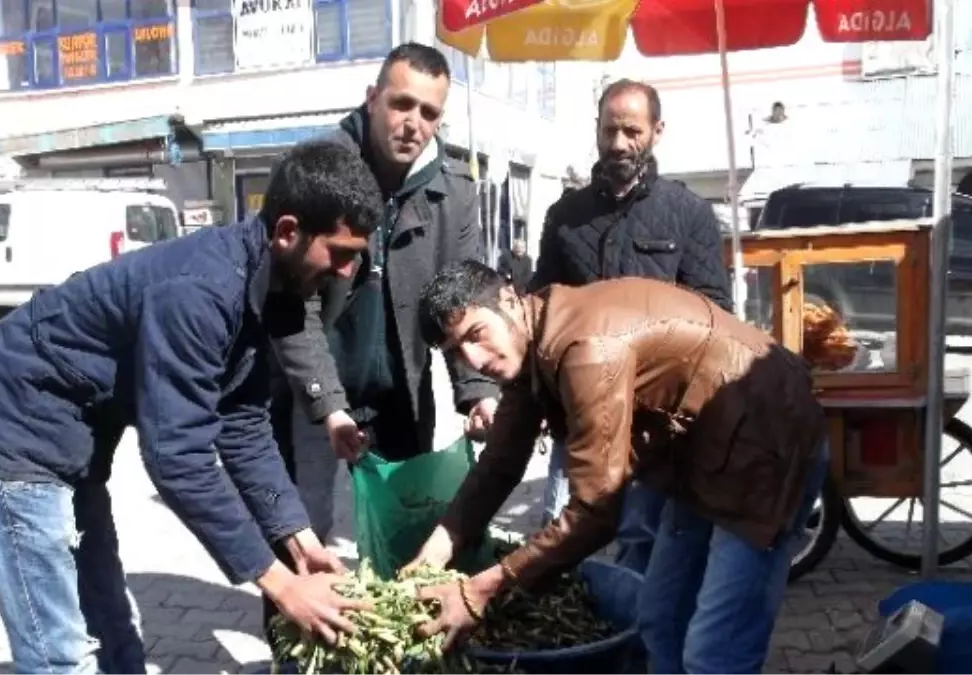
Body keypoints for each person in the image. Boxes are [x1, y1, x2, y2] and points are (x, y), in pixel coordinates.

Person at [0, 140, 381, 675]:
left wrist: (300, 539)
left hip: (70, 436)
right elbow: (178, 455)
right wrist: (281, 583)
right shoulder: (202, 291)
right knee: (60, 651)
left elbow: (241, 422)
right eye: (339, 252)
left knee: (109, 619)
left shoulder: (272, 287)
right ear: (288, 231)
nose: (347, 271)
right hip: (11, 426)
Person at [407, 261, 828, 674]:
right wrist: (433, 555)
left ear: (508, 299)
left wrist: (483, 588)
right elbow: (499, 466)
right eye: (456, 352)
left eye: (476, 335)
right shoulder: (530, 346)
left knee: (713, 655)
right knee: (660, 623)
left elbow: (597, 509)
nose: (474, 360)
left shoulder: (586, 350)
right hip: (701, 459)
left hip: (770, 445)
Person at [269, 43, 498, 556]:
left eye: (429, 112)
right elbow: (291, 304)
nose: (413, 123)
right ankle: (296, 627)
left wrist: (479, 391)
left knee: (405, 528)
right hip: (310, 387)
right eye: (401, 104)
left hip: (399, 391)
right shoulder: (315, 170)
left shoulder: (455, 190)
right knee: (303, 530)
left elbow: (463, 300)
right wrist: (329, 406)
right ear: (372, 98)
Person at [531, 79, 733, 577]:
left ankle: (634, 638)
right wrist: (536, 394)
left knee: (639, 539)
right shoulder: (566, 216)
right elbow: (541, 308)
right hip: (574, 409)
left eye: (631, 131)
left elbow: (714, 311)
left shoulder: (688, 214)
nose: (618, 143)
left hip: (651, 420)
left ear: (657, 131)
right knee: (558, 532)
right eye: (608, 130)